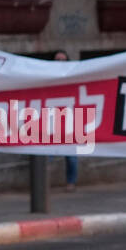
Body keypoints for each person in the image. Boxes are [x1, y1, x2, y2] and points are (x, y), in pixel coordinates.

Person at [51, 50, 78, 191]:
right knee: (45, 155)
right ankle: (40, 183)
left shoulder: (73, 76)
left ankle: (71, 182)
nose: (60, 63)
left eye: (63, 60)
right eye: (57, 60)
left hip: (69, 120)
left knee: (71, 157)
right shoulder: (47, 77)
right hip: (50, 120)